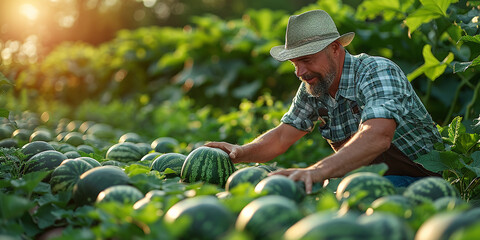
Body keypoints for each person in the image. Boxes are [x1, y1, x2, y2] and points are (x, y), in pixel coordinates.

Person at [205, 9, 442, 193]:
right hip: (367, 179)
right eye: (294, 63)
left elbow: (377, 137)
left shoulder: (377, 72)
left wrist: (316, 172)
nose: (300, 72)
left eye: (306, 60)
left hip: (423, 179)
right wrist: (240, 152)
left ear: (336, 48)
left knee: (344, 193)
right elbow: (281, 136)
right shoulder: (314, 86)